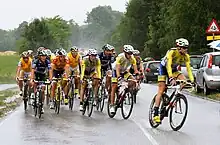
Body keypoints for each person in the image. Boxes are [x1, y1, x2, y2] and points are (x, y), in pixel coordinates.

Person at [153, 38, 194, 124]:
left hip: (174, 70)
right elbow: (168, 65)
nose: (186, 49)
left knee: (184, 80)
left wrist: (192, 80)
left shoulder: (186, 56)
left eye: (187, 48)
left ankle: (176, 97)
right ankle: (156, 113)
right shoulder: (172, 52)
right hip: (164, 69)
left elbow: (189, 69)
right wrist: (171, 77)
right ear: (179, 47)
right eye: (184, 48)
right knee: (161, 89)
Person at [110, 45, 139, 114]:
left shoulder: (132, 58)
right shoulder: (121, 57)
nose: (130, 55)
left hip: (124, 71)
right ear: (125, 52)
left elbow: (135, 69)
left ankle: (126, 92)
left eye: (131, 53)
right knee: (114, 86)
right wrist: (119, 76)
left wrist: (137, 75)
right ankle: (112, 105)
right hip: (115, 71)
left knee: (133, 81)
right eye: (128, 53)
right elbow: (117, 68)